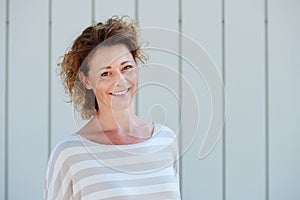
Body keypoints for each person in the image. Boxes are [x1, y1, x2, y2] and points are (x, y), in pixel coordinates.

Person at [44, 16, 181, 200]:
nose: (120, 81)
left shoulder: (165, 140)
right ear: (86, 80)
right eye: (106, 73)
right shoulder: (69, 155)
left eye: (126, 67)